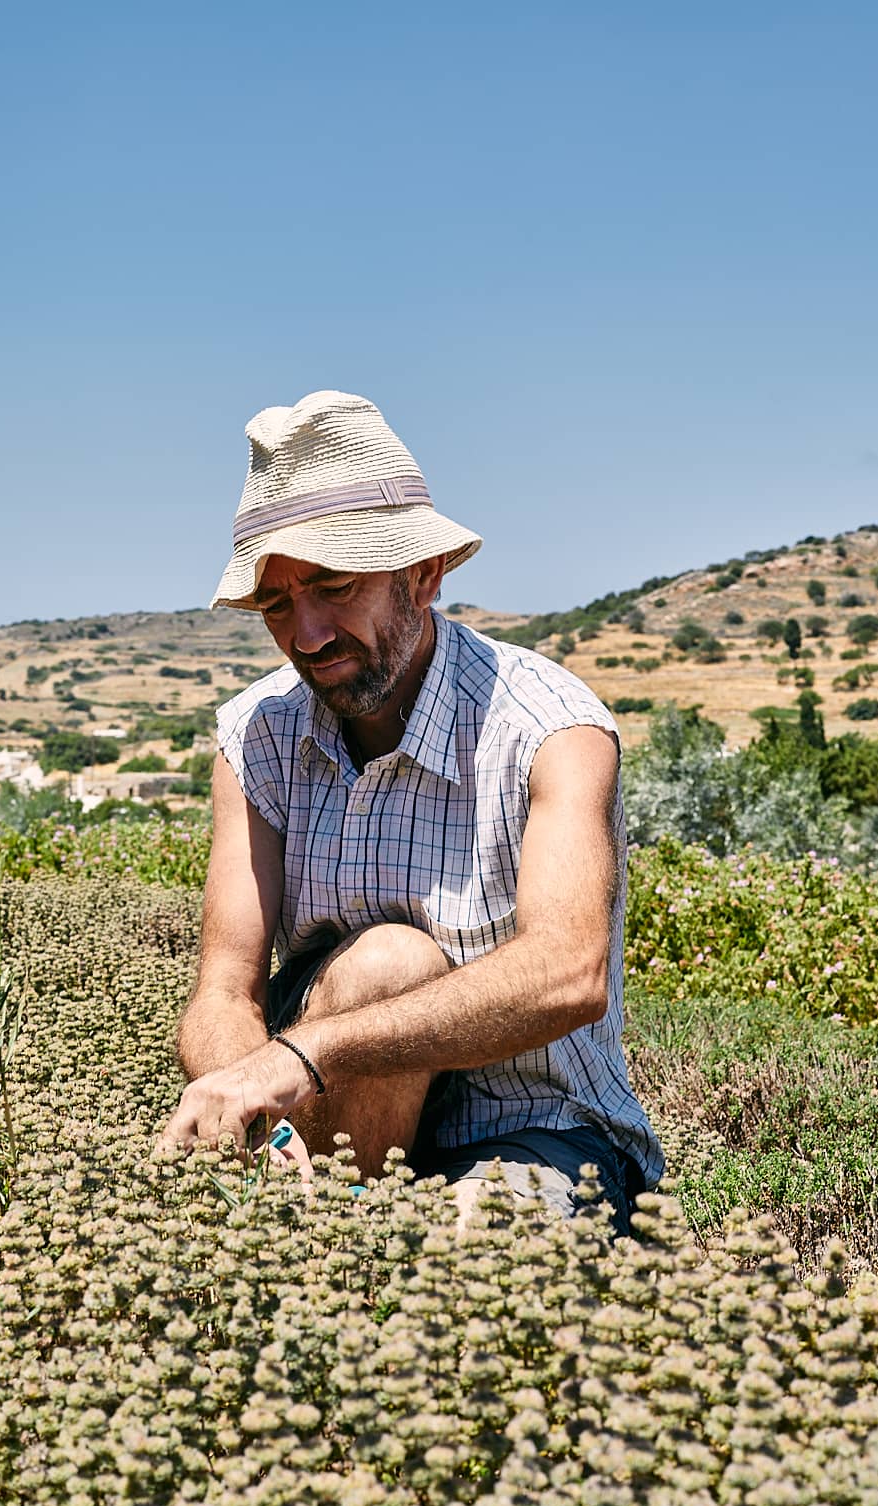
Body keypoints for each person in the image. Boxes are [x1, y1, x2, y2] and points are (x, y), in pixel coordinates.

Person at [162, 390, 664, 1233]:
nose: (308, 633)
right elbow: (222, 992)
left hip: (530, 1129)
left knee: (466, 1272)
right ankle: (327, 1242)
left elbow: (569, 974)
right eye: (278, 603)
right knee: (382, 965)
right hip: (326, 1124)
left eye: (332, 585)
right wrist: (255, 1100)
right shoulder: (256, 736)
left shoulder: (548, 727)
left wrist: (305, 1053)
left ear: (423, 575)